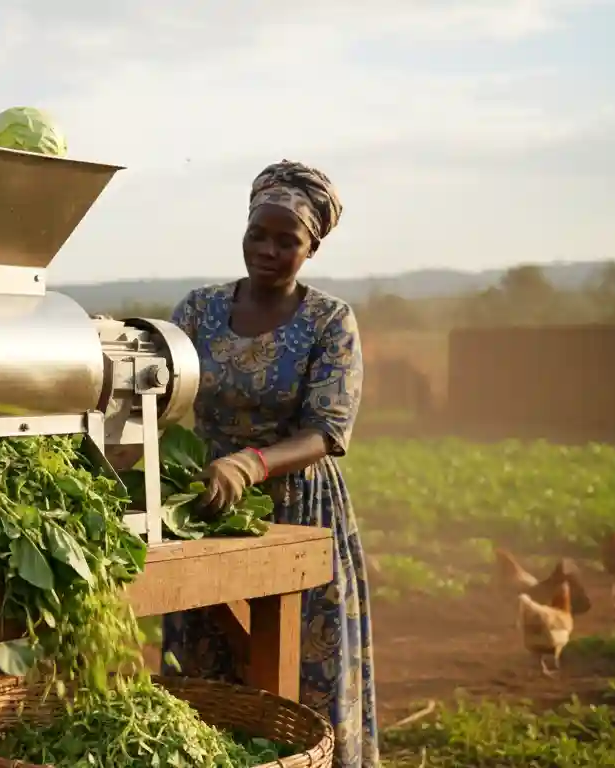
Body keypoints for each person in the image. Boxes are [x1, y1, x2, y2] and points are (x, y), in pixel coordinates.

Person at [160, 161, 378, 767]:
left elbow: (328, 429)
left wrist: (250, 465)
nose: (269, 250)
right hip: (208, 506)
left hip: (297, 507)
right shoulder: (198, 312)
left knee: (297, 677)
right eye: (260, 233)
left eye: (289, 241)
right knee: (205, 675)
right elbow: (158, 390)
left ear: (312, 247)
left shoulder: (329, 321)